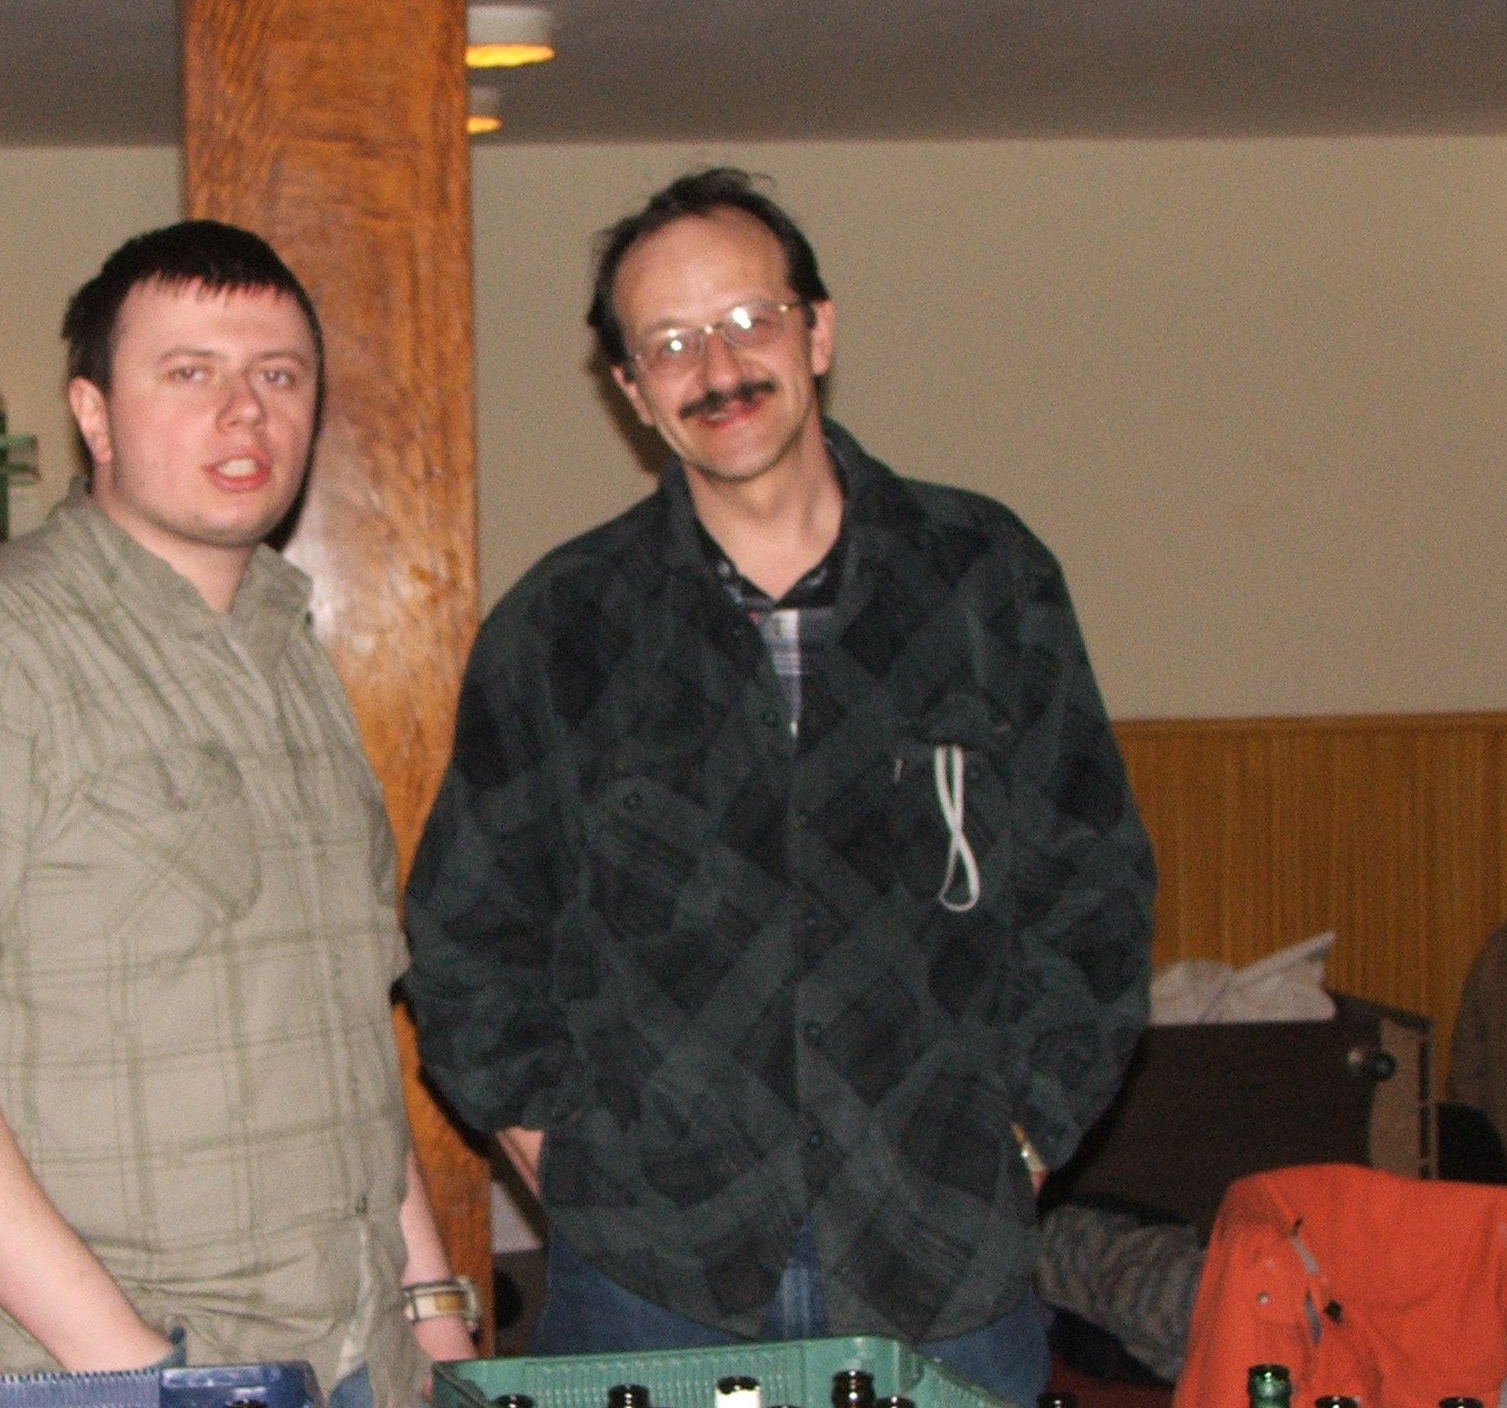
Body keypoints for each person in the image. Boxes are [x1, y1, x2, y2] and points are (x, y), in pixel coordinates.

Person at [403, 169, 1155, 1400]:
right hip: (652, 1277)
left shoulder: (986, 581)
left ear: (818, 331)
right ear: (632, 389)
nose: (719, 367)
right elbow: (466, 938)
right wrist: (563, 1154)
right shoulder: (561, 627)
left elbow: (1094, 893)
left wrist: (1022, 1136)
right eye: (671, 343)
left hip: (941, 1261)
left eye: (749, 320)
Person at [0, 221, 477, 1407]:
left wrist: (431, 1313)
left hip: (358, 1355)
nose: (245, 413)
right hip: (116, 1372)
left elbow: (343, 1024)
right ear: (94, 416)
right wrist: (136, 1370)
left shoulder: (288, 652)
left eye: (278, 375)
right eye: (190, 372)